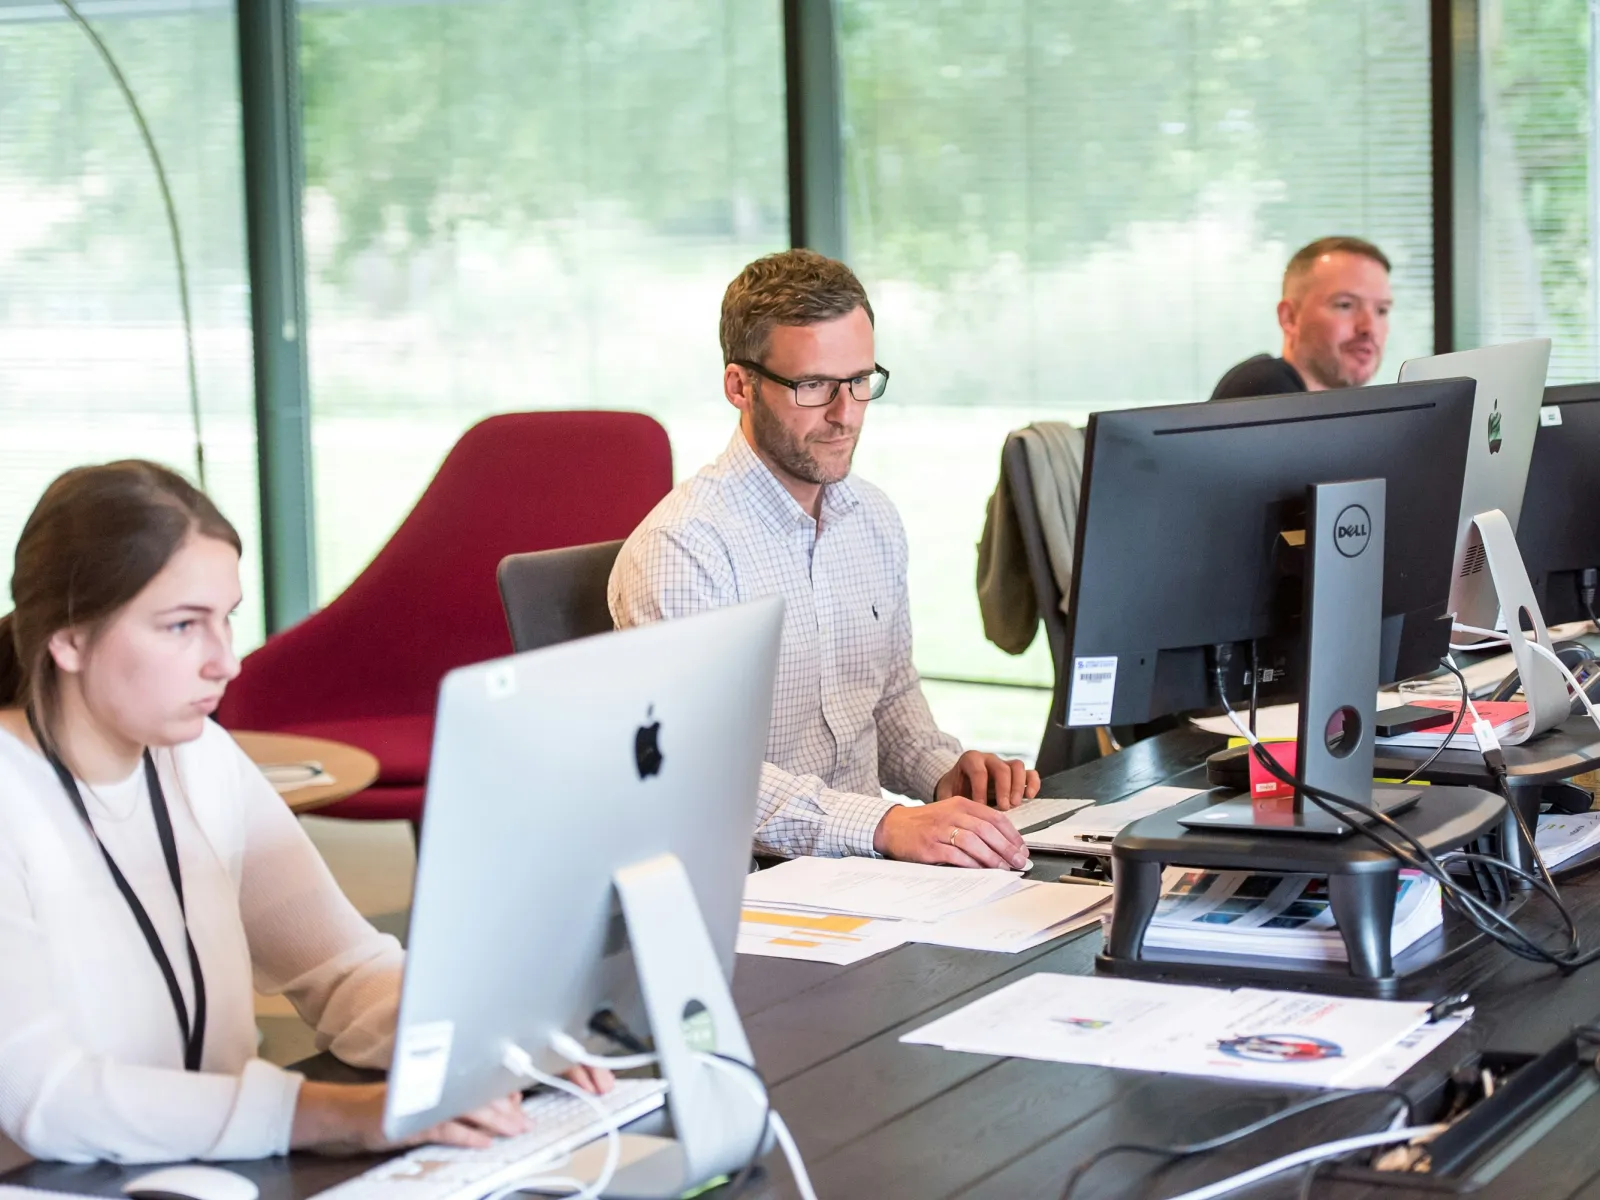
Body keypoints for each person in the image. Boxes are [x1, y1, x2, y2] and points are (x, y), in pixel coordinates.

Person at [0, 461, 608, 1165]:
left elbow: (344, 969)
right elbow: (48, 1098)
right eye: (180, 627)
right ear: (69, 639)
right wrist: (339, 1114)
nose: (224, 662)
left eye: (225, 619)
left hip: (209, 1168)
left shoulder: (202, 759)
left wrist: (500, 1044)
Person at [609, 249, 1039, 870]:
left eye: (860, 381)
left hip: (867, 876)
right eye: (813, 386)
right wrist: (887, 824)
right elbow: (701, 772)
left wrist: (948, 777)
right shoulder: (685, 549)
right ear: (740, 385)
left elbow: (888, 699)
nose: (846, 414)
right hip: (753, 891)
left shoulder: (873, 519)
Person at [1210, 236, 1393, 400]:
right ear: (1289, 317)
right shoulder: (1264, 391)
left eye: (1382, 311)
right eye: (1345, 305)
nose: (1369, 327)